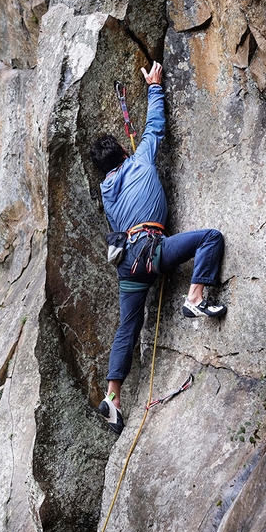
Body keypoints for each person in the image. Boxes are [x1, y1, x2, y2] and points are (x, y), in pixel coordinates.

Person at [90, 61, 226, 434]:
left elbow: (119, 219)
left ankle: (113, 396)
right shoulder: (141, 160)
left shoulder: (106, 193)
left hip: (127, 264)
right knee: (210, 238)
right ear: (122, 149)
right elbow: (155, 127)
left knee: (127, 328)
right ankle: (195, 298)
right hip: (152, 252)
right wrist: (154, 86)